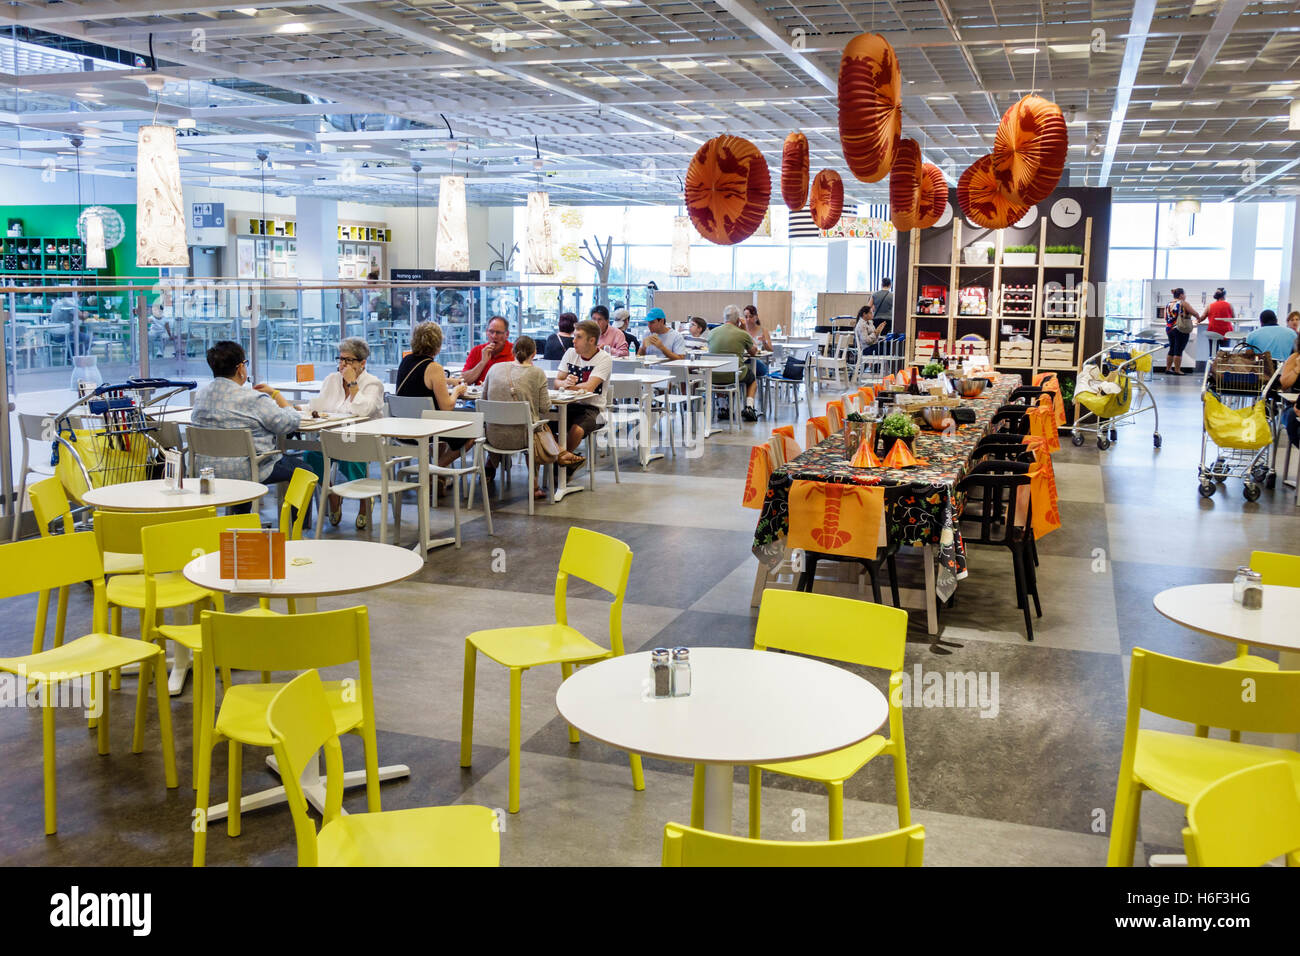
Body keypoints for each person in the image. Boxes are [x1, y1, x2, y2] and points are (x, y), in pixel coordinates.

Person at [191, 340, 306, 517]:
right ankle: (296, 532)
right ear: (240, 369)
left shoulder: (201, 396)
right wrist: (276, 395)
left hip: (207, 469)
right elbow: (288, 423)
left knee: (241, 461)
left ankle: (241, 519)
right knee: (304, 471)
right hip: (248, 469)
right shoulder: (253, 398)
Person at [484, 335, 582, 498]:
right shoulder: (537, 373)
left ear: (513, 350)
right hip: (524, 438)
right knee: (537, 426)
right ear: (534, 353)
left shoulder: (494, 369)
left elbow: (485, 397)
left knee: (530, 425)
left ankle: (561, 454)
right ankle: (539, 480)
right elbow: (545, 408)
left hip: (493, 437)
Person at [304, 337, 386, 529]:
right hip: (332, 438)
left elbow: (364, 410)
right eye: (340, 359)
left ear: (362, 363)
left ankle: (365, 501)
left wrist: (352, 383)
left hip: (362, 439)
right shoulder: (331, 380)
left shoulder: (373, 384)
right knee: (310, 456)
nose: (342, 365)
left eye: (348, 360)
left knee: (351, 457)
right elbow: (321, 405)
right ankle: (332, 494)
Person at [395, 321, 470, 471]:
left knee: (442, 434)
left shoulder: (406, 361)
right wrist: (457, 391)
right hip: (427, 431)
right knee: (470, 435)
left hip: (403, 430)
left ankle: (438, 478)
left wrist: (447, 380)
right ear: (438, 344)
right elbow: (447, 407)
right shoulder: (434, 368)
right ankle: (435, 470)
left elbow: (419, 378)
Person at [556, 319, 612, 473]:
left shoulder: (604, 358)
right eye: (574, 336)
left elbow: (589, 387)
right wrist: (564, 383)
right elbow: (556, 382)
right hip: (567, 405)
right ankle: (564, 458)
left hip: (594, 409)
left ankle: (560, 464)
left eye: (578, 337)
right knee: (543, 426)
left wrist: (567, 385)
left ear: (592, 340)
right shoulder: (570, 353)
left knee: (577, 429)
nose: (573, 341)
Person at [708, 304, 760, 422]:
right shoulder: (742, 334)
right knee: (752, 379)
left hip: (713, 375)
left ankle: (722, 407)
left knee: (718, 372)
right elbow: (753, 352)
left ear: (724, 318)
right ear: (738, 320)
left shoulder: (712, 333)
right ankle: (749, 407)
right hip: (734, 375)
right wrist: (745, 330)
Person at [461, 315, 514, 385]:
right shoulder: (477, 351)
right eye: (491, 332)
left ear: (507, 334)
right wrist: (483, 362)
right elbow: (464, 381)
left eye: (498, 333)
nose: (494, 336)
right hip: (479, 395)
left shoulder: (515, 351)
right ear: (486, 332)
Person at [1164, 287, 1200, 375]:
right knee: (1178, 349)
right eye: (1184, 294)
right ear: (1181, 295)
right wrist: (1198, 319)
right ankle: (1177, 370)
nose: (1185, 296)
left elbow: (1166, 317)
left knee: (1172, 348)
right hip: (1180, 328)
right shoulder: (1183, 303)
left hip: (1169, 328)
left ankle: (1168, 369)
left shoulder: (1169, 304)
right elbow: (1195, 313)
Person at [742, 304, 772, 378]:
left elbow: (771, 350)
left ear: (756, 317)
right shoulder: (742, 331)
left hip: (760, 362)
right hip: (745, 361)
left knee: (749, 366)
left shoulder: (763, 331)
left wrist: (764, 342)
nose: (748, 319)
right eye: (746, 317)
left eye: (751, 316)